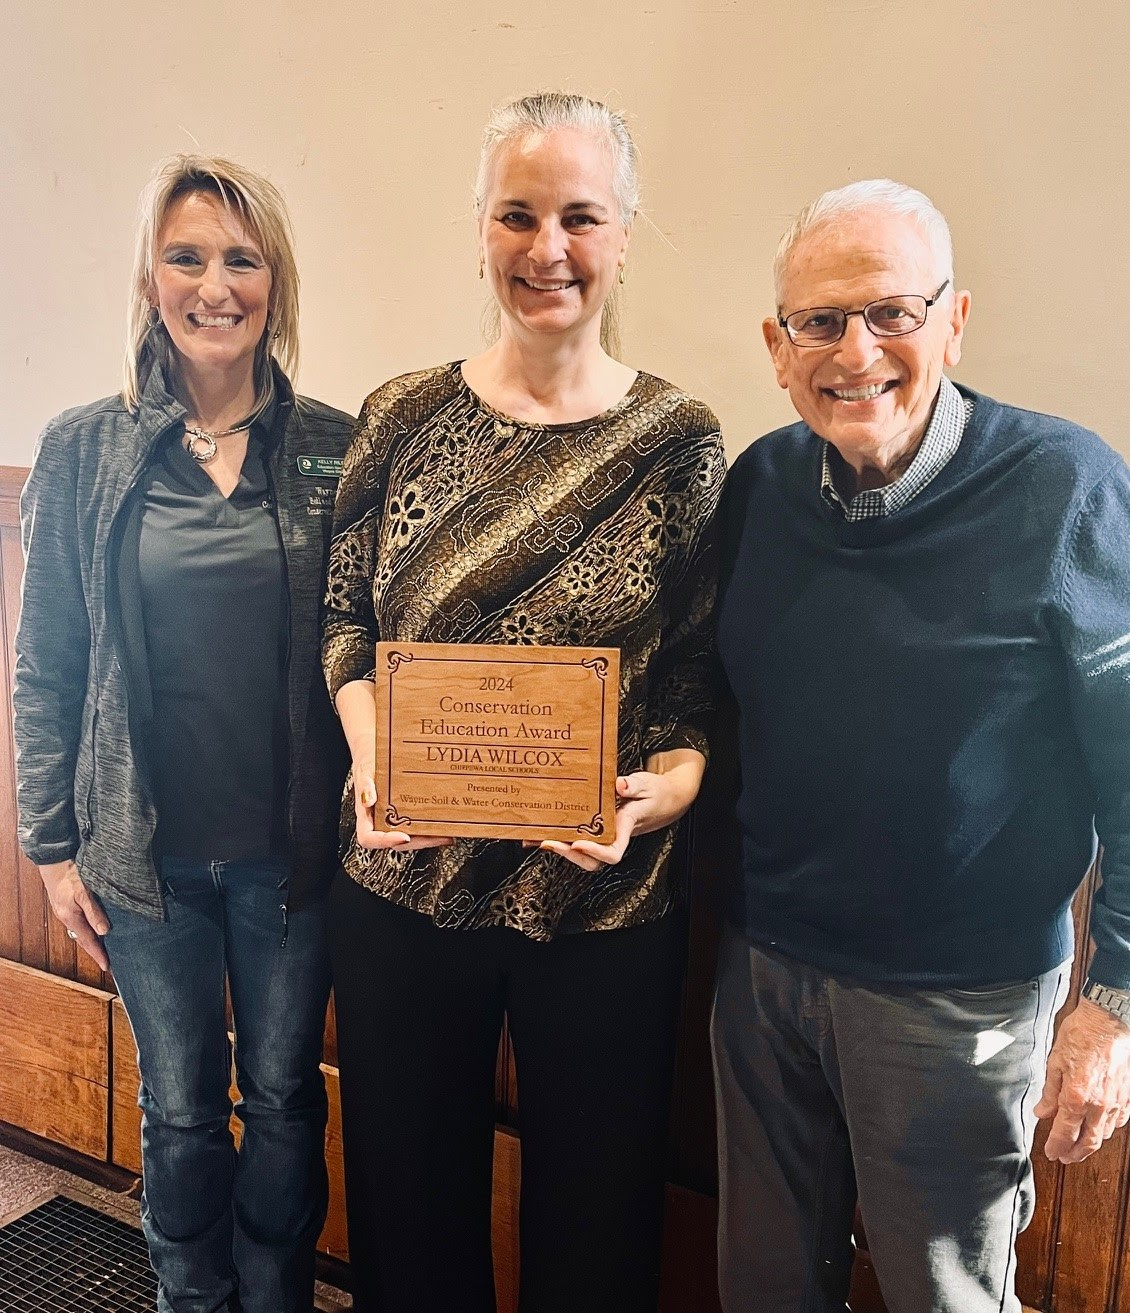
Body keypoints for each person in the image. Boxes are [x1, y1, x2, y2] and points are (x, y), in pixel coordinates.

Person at [711, 177, 1130, 1313]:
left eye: (892, 312)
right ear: (776, 343)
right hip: (764, 976)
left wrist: (1117, 1003)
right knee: (764, 1288)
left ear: (954, 319)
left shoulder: (1067, 490)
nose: (856, 350)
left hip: (958, 1002)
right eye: (819, 320)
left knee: (942, 1295)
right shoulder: (759, 485)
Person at [322, 91, 725, 1313]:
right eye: (518, 215)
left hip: (601, 890)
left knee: (597, 1221)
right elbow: (345, 623)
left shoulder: (677, 437)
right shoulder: (398, 416)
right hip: (407, 883)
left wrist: (675, 788)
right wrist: (370, 746)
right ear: (482, 226)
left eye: (578, 217)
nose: (547, 249)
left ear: (625, 229)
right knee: (404, 1200)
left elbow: (698, 675)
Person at [13, 154, 352, 1313]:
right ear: (151, 278)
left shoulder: (334, 447)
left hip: (290, 860)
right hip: (142, 861)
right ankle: (189, 1300)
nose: (216, 284)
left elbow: (368, 647)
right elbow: (46, 660)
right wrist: (50, 844)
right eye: (188, 256)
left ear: (276, 283)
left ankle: (275, 1297)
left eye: (241, 259)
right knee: (179, 1108)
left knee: (284, 1097)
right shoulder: (83, 447)